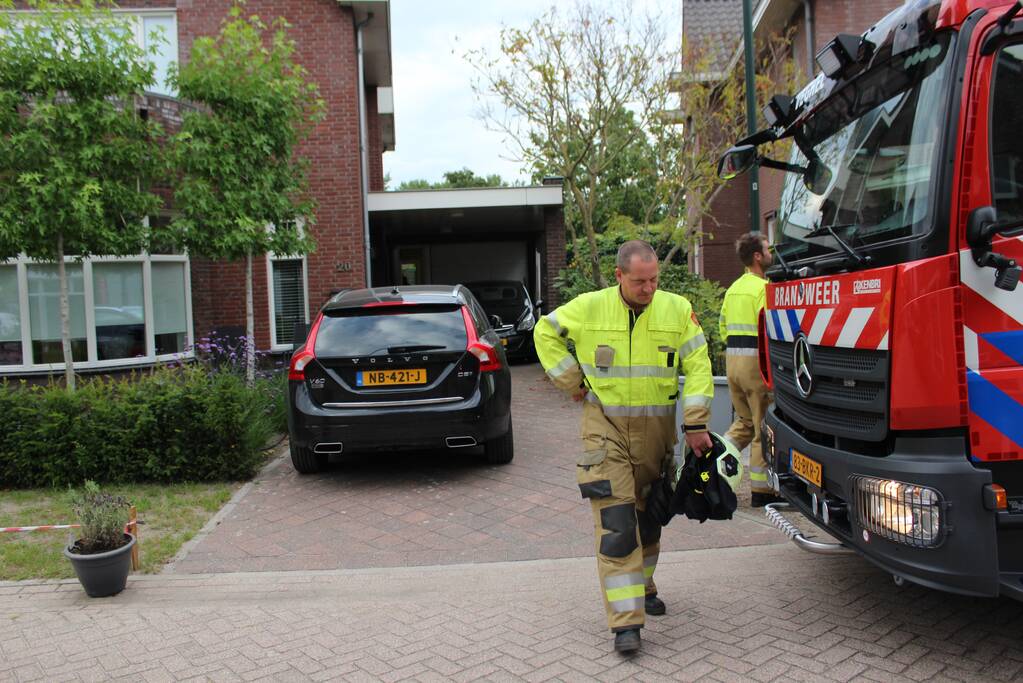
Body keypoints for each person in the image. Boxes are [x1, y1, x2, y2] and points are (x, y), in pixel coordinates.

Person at [533, 240, 714, 655]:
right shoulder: (590, 307)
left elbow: (699, 365)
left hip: (657, 436)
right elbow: (545, 330)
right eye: (639, 282)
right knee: (617, 526)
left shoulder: (677, 310)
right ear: (619, 276)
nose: (648, 289)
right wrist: (572, 379)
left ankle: (643, 586)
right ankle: (626, 623)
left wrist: (696, 421)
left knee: (649, 520)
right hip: (605, 431)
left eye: (654, 280)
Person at [718, 232, 781, 508]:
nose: (771, 253)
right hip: (756, 366)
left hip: (733, 364)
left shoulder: (733, 289)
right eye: (767, 249)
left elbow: (722, 327)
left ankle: (717, 462)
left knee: (744, 422)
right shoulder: (763, 289)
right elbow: (770, 329)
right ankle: (762, 490)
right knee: (761, 426)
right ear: (757, 256)